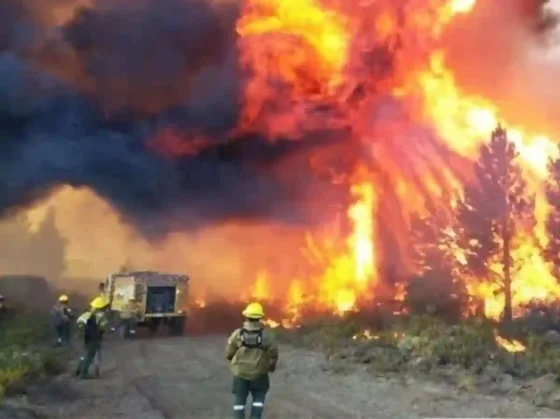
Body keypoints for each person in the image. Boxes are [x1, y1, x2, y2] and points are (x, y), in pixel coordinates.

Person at [225, 302, 279, 419]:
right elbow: (273, 353)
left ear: (246, 316)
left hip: (241, 373)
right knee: (258, 400)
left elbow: (229, 352)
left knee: (239, 400)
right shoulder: (267, 335)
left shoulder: (237, 334)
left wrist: (232, 359)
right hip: (259, 374)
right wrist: (271, 365)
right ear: (260, 317)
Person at [75, 296, 110, 379]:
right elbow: (103, 327)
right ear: (102, 307)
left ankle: (78, 370)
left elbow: (78, 322)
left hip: (85, 336)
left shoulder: (88, 313)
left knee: (84, 354)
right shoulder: (101, 315)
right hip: (94, 337)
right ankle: (83, 374)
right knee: (90, 355)